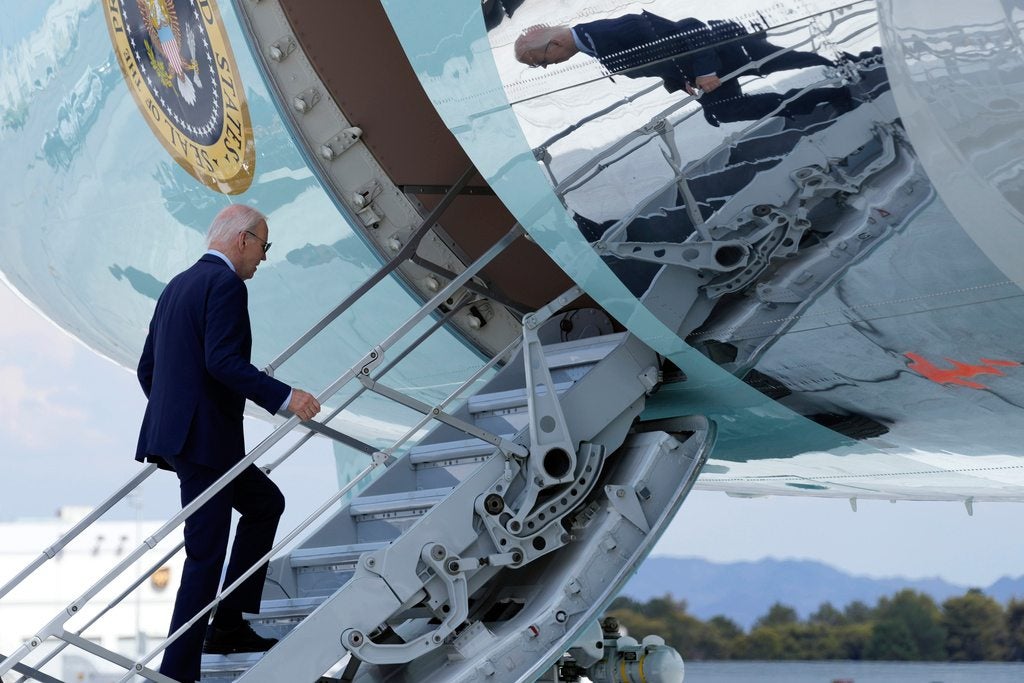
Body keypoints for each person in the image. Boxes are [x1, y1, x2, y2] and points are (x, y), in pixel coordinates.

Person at [135, 204, 321, 683]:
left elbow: (147, 370)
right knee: (205, 552)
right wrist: (286, 397)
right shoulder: (225, 285)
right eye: (264, 245)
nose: (263, 257)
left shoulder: (177, 286)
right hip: (207, 443)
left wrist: (176, 418)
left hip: (188, 440)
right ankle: (178, 672)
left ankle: (229, 625)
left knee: (264, 503)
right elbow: (223, 362)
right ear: (243, 240)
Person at [514, 11, 852, 126]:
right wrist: (681, 81)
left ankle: (847, 72)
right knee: (724, 112)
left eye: (542, 62)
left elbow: (686, 32)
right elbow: (661, 60)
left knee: (799, 58)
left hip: (723, 51)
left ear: (554, 46)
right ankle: (825, 96)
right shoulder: (595, 42)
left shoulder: (604, 33)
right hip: (706, 70)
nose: (548, 66)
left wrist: (703, 70)